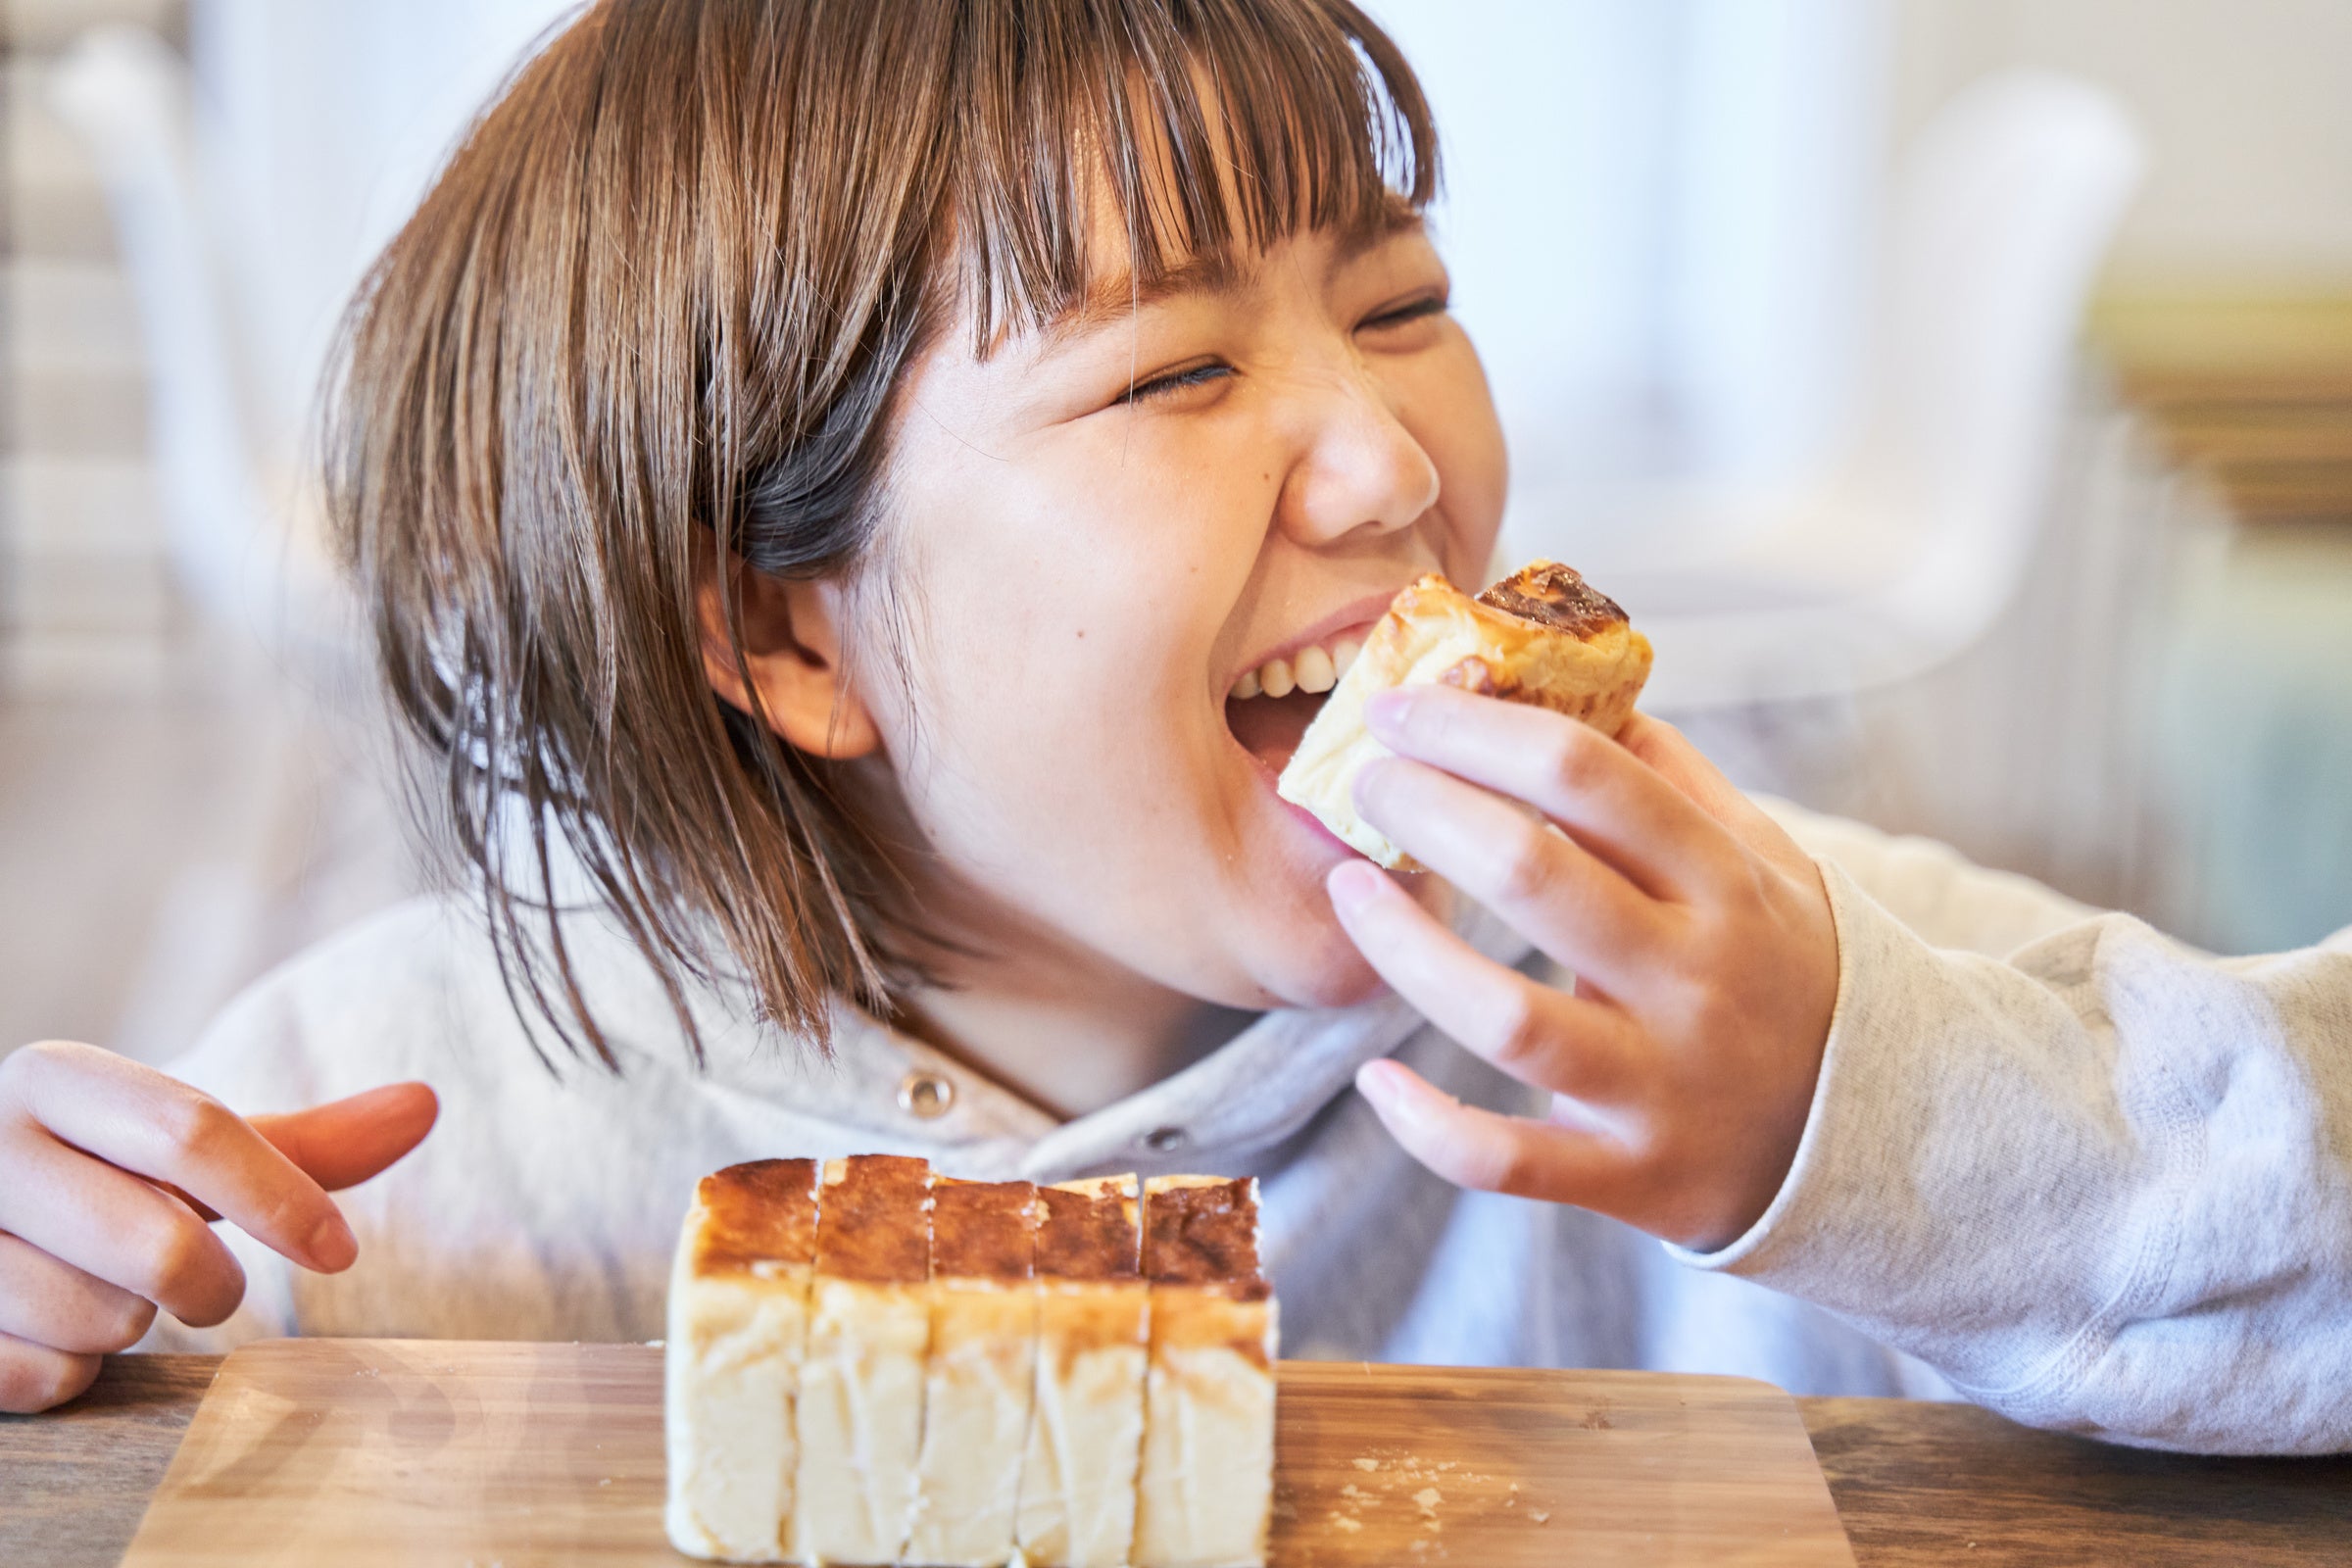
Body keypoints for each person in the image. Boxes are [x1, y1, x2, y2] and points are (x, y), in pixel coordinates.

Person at [2, 0, 2345, 1448]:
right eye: (1177, 370)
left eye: (1402, 300)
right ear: (778, 628)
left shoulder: (1716, 995)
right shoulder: (415, 1153)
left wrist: (1867, 1117)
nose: (1397, 468)